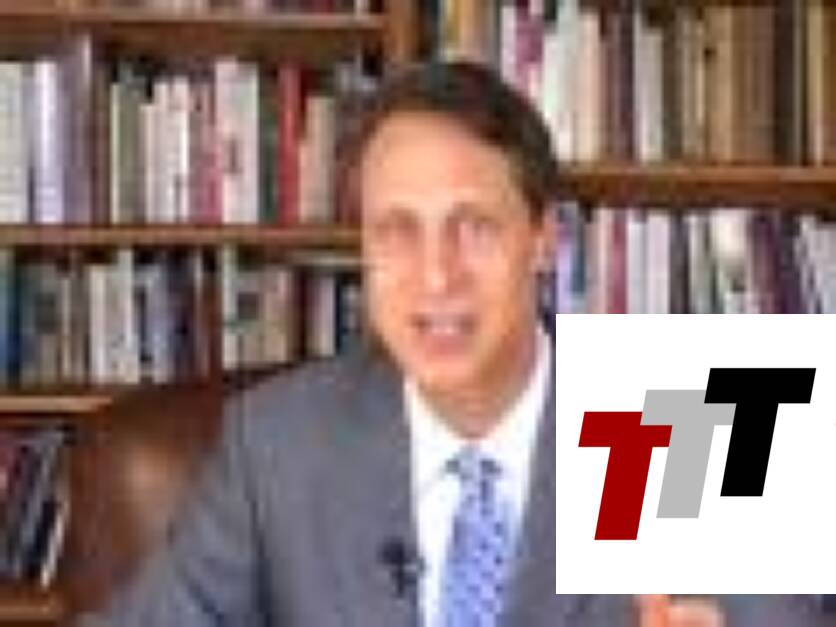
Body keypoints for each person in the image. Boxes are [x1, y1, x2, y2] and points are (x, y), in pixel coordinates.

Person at [80, 62, 833, 627]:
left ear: (544, 239)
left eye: (473, 227)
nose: (436, 276)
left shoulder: (696, 416)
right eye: (397, 230)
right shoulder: (277, 446)